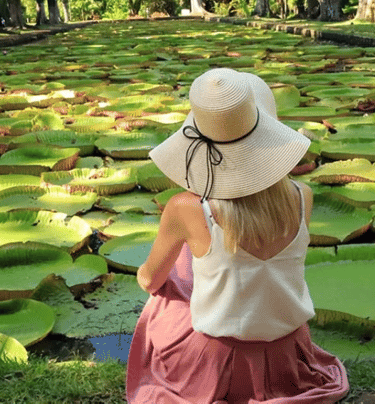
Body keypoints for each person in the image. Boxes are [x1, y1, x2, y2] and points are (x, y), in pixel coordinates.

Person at [126, 68, 349, 403]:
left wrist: (157, 275)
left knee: (164, 292)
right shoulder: (303, 196)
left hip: (220, 365)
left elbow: (149, 280)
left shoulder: (185, 208)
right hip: (289, 357)